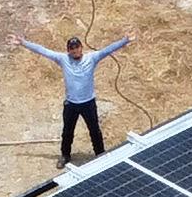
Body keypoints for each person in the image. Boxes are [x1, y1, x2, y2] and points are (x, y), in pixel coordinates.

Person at [24, 33, 136, 161]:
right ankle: (65, 156)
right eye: (72, 48)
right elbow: (43, 51)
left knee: (95, 131)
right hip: (71, 104)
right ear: (68, 50)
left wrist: (125, 40)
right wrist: (23, 42)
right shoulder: (63, 59)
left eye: (77, 47)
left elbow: (108, 49)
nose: (75, 50)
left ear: (81, 47)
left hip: (88, 103)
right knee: (67, 132)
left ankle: (100, 155)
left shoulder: (92, 58)